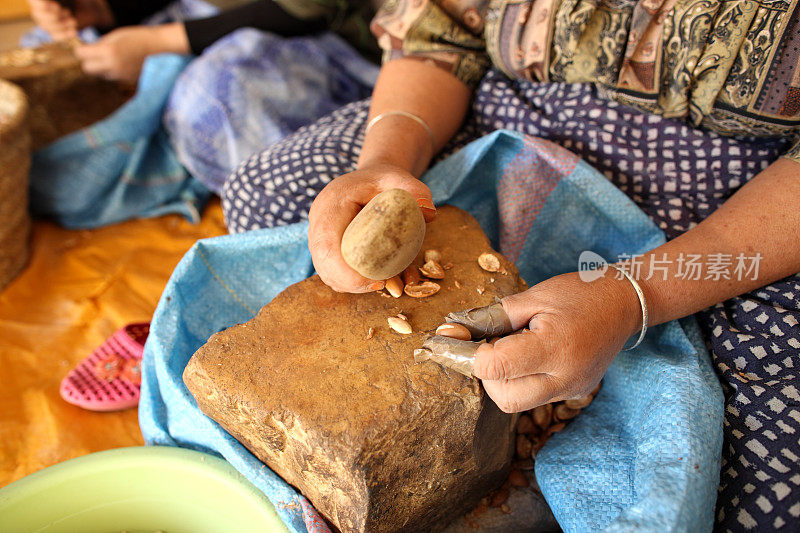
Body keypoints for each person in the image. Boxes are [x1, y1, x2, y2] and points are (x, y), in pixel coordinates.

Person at [222, 0, 800, 528]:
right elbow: (439, 31)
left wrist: (633, 295)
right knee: (263, 194)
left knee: (761, 487)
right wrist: (385, 158)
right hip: (505, 106)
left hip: (740, 198)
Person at [26, 0, 380, 194]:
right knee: (40, 46)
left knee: (213, 104)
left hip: (328, 36)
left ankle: (293, 190)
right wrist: (104, 11)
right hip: (204, 15)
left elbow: (308, 7)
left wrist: (157, 43)